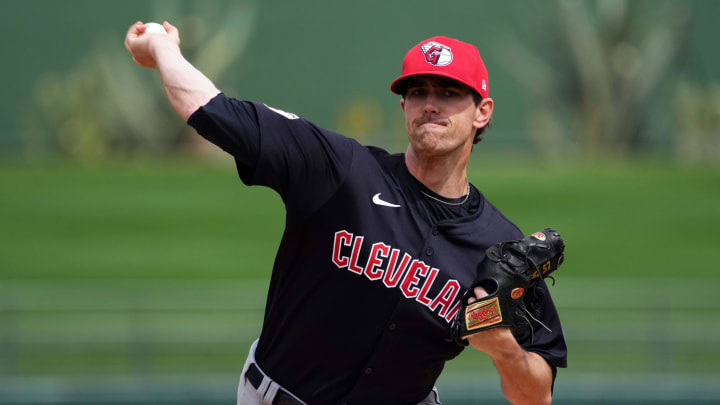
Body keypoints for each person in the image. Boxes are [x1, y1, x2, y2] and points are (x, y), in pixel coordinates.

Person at [124, 21, 567, 405]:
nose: (430, 103)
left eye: (449, 93)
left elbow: (536, 395)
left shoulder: (498, 245)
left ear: (482, 113)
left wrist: (502, 348)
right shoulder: (343, 169)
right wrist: (163, 48)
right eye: (417, 92)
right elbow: (214, 110)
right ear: (403, 107)